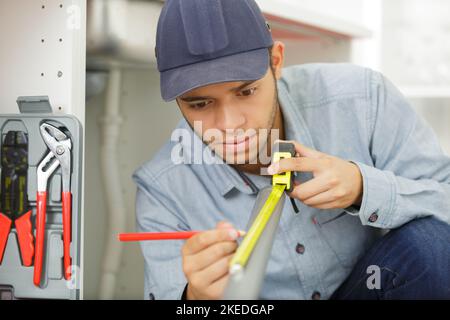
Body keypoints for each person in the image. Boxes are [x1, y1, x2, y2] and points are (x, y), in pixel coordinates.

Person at [133, 0, 450, 300]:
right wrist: (196, 298)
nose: (229, 123)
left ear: (276, 62)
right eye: (200, 103)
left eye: (246, 91)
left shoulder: (363, 100)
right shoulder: (162, 189)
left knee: (430, 243)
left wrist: (363, 187)